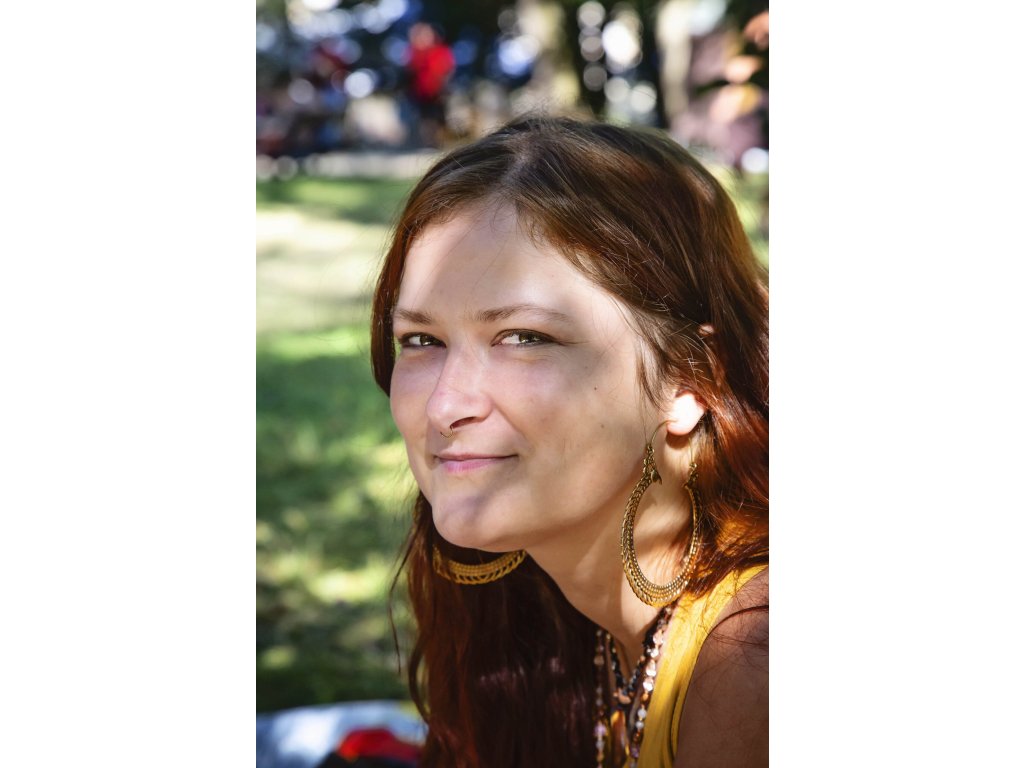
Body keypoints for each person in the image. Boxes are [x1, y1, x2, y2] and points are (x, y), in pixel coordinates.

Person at [369, 116, 768, 767]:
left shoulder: (752, 661)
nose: (445, 405)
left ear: (690, 379)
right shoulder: (534, 621)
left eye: (525, 338)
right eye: (422, 340)